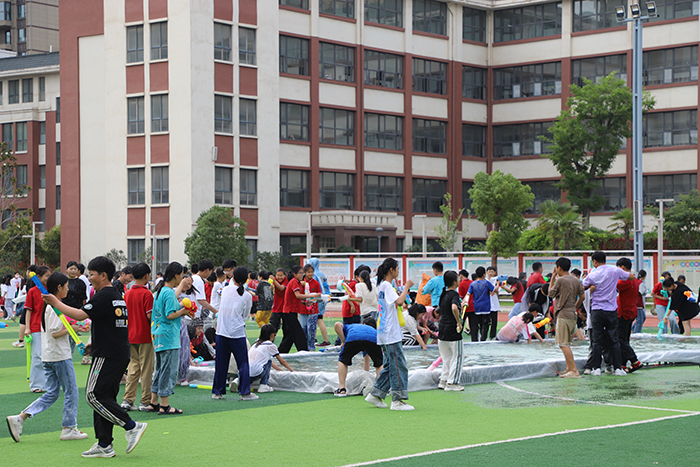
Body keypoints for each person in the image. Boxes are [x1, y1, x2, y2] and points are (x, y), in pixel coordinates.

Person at [42, 256, 147, 458]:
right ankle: (104, 444)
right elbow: (110, 324)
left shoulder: (104, 295)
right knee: (105, 397)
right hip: (117, 352)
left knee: (93, 396)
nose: (89, 278)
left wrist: (55, 301)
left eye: (91, 274)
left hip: (107, 355)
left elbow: (80, 315)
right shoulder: (115, 295)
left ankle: (131, 426)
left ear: (103, 275)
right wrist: (93, 344)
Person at [6, 272, 89, 443]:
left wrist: (75, 328)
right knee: (71, 392)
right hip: (59, 356)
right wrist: (74, 327)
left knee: (52, 393)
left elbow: (58, 330)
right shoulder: (53, 307)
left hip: (50, 355)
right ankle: (69, 427)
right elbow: (56, 332)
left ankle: (20, 418)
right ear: (59, 288)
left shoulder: (52, 306)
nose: (68, 288)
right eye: (66, 286)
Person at [366, 258, 415, 411]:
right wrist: (407, 287)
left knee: (390, 365)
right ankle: (397, 400)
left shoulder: (382, 285)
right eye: (397, 268)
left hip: (384, 332)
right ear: (391, 270)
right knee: (399, 365)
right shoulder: (386, 285)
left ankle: (376, 394)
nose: (399, 271)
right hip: (390, 333)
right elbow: (400, 302)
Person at [582, 250, 636, 377]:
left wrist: (592, 288)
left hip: (597, 310)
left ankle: (596, 368)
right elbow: (631, 277)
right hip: (611, 310)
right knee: (614, 340)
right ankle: (617, 368)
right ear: (605, 259)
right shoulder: (614, 270)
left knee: (596, 340)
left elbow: (582, 287)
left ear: (594, 261)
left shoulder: (592, 275)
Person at [212, 267, 257, 400]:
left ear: (233, 277)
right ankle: (245, 393)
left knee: (221, 363)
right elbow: (245, 315)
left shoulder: (225, 290)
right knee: (243, 363)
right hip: (237, 333)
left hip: (221, 331)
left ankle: (217, 392)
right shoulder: (247, 295)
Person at [150, 262, 188, 414]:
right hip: (168, 336)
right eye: (181, 275)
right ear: (176, 275)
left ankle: (154, 402)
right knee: (169, 370)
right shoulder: (169, 292)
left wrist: (181, 308)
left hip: (158, 334)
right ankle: (165, 405)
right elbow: (170, 314)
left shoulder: (160, 291)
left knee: (160, 368)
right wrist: (183, 311)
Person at [122, 263, 155, 412]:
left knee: (133, 367)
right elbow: (149, 315)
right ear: (147, 276)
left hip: (131, 335)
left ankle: (128, 399)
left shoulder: (127, 294)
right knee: (147, 369)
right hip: (145, 335)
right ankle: (145, 400)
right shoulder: (147, 294)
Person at [548, 257, 584, 378]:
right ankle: (568, 368)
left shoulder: (561, 280)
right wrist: (575, 306)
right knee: (567, 342)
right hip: (573, 314)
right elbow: (582, 297)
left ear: (558, 268)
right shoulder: (576, 280)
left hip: (563, 315)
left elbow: (550, 293)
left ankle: (574, 370)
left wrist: (553, 278)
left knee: (563, 344)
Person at [334, 317, 383, 397]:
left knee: (343, 361)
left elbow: (337, 324)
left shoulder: (352, 326)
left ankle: (342, 389)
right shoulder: (373, 330)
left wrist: (343, 341)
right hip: (373, 338)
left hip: (353, 337)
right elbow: (366, 360)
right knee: (379, 363)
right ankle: (380, 389)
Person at [244, 324, 294, 394]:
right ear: (272, 335)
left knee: (254, 366)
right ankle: (264, 385)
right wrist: (292, 370)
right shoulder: (270, 345)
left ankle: (238, 381)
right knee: (268, 362)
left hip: (244, 373)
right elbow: (282, 361)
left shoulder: (255, 344)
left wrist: (279, 370)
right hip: (256, 374)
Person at [24, 265, 51, 392]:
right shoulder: (33, 291)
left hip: (50, 327)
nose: (49, 278)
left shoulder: (52, 290)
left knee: (48, 356)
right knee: (37, 356)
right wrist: (27, 328)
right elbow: (28, 311)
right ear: (38, 277)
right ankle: (36, 385)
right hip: (36, 327)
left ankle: (48, 384)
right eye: (47, 276)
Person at [279, 266, 317, 353]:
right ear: (294, 274)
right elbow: (298, 295)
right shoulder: (294, 282)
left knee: (291, 335)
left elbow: (295, 298)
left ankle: (281, 352)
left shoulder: (298, 282)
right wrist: (312, 295)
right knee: (298, 333)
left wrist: (304, 302)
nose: (302, 275)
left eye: (302, 273)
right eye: (300, 273)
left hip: (292, 312)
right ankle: (303, 350)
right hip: (289, 312)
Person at [437, 271, 464, 391]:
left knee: (446, 357)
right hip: (452, 329)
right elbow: (453, 307)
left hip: (442, 329)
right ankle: (452, 383)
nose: (459, 280)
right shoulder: (454, 294)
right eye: (458, 279)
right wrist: (458, 321)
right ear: (454, 281)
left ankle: (443, 380)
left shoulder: (443, 293)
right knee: (457, 357)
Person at [615, 258, 643, 373]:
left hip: (624, 312)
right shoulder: (635, 279)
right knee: (625, 339)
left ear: (622, 268)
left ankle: (635, 361)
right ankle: (623, 364)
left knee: (620, 339)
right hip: (631, 311)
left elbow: (613, 285)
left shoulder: (625, 280)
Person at [463, 267, 494, 342]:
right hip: (486, 307)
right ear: (484, 275)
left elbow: (468, 294)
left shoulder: (473, 284)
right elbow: (493, 290)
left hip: (477, 307)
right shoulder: (486, 283)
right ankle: (483, 338)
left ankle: (476, 339)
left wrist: (464, 302)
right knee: (485, 324)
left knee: (477, 324)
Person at [308, 258, 332, 346]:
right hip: (323, 298)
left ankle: (324, 340)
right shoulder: (322, 275)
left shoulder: (314, 275)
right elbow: (326, 287)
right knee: (318, 319)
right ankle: (315, 339)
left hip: (316, 299)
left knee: (317, 319)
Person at [298, 263, 321, 351]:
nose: (310, 274)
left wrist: (315, 297)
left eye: (312, 272)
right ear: (304, 272)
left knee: (311, 329)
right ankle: (303, 347)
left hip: (313, 310)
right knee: (303, 329)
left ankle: (311, 347)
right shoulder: (300, 283)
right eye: (308, 272)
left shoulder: (315, 283)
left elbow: (319, 295)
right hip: (302, 310)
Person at [631, 270, 647, 334]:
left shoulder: (635, 281)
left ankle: (632, 328)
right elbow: (643, 292)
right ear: (644, 276)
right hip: (638, 304)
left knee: (643, 317)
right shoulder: (641, 283)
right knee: (639, 319)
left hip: (635, 302)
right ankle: (636, 333)